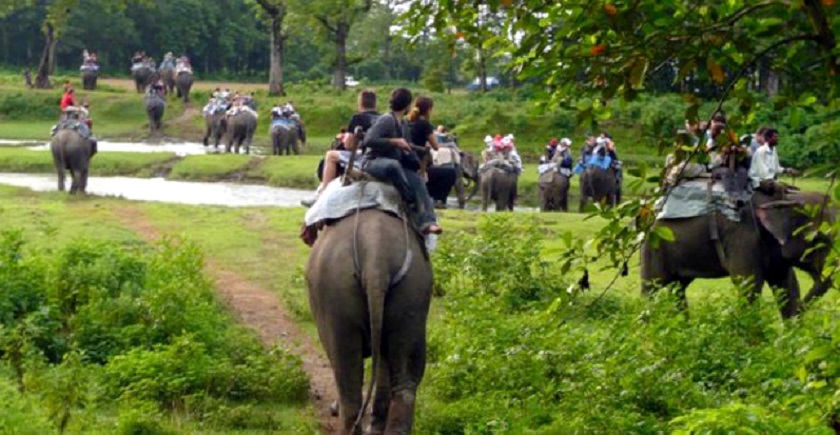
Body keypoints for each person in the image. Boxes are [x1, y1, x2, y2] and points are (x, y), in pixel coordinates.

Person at [362, 88, 442, 235]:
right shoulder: (386, 119)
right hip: (374, 162)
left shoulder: (404, 125)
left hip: (396, 165)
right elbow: (368, 140)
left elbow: (407, 152)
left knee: (417, 180)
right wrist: (394, 141)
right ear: (407, 106)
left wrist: (418, 167)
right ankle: (409, 199)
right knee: (393, 165)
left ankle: (428, 221)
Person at [303, 89, 380, 206]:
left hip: (362, 158)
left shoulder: (357, 118)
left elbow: (348, 145)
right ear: (375, 103)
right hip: (379, 158)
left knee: (330, 155)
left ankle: (322, 194)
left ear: (360, 103)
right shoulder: (383, 118)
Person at [749, 128, 796, 196]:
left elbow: (776, 168)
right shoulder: (761, 151)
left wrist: (787, 170)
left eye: (777, 137)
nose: (777, 138)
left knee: (792, 188)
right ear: (768, 138)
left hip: (770, 180)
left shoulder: (773, 150)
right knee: (780, 188)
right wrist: (775, 182)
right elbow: (763, 173)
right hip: (760, 180)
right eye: (775, 137)